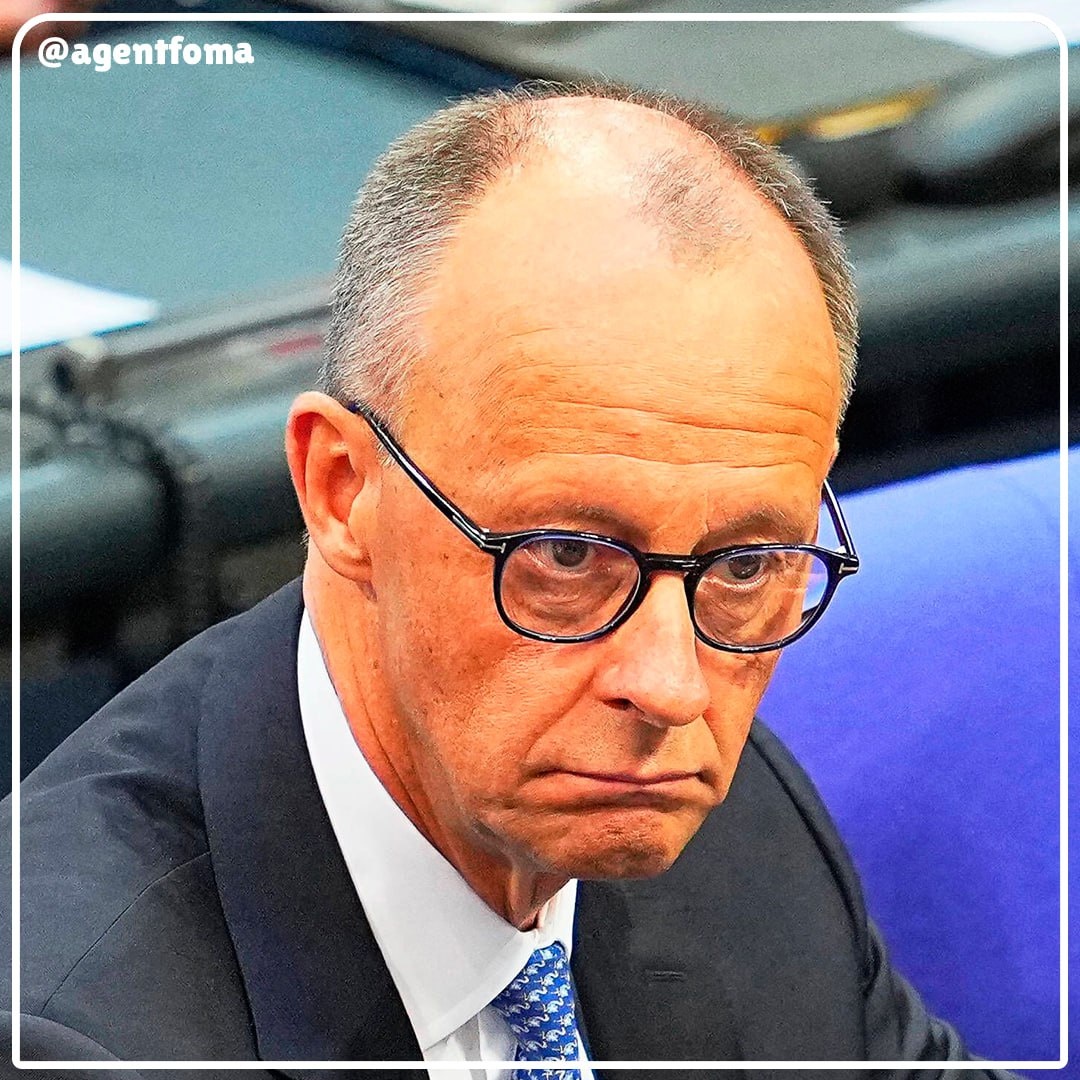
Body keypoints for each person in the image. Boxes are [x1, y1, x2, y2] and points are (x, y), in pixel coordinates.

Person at [2, 81, 1016, 1076]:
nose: (671, 687)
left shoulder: (738, 834)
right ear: (342, 490)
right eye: (567, 556)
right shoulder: (67, 1032)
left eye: (746, 564)